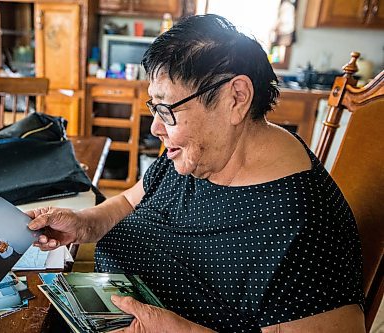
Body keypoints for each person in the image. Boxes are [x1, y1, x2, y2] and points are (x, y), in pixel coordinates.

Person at [27, 14, 365, 333]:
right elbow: (131, 200)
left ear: (236, 97)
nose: (156, 127)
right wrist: (85, 222)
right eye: (153, 106)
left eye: (166, 108)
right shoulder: (200, 152)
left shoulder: (305, 229)